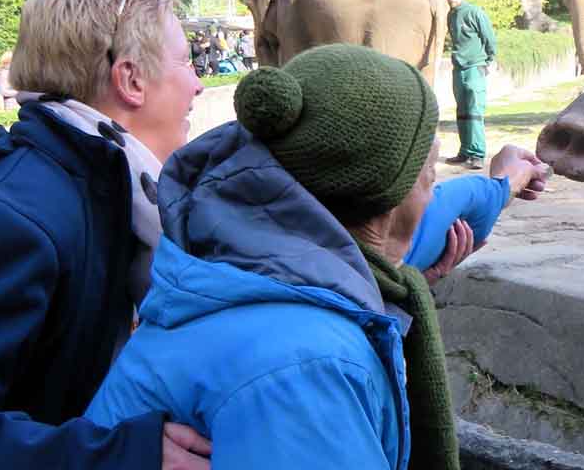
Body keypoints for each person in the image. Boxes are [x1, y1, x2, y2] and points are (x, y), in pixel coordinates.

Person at [87, 44, 550, 470]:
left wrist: (502, 185)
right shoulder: (307, 366)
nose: (433, 193)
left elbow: (444, 211)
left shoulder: (241, 246)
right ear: (385, 203)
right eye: (429, 174)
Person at [0, 0, 211, 468]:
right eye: (184, 61)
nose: (198, 83)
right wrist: (122, 454)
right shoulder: (21, 219)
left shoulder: (103, 191)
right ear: (131, 80)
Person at [443, 0, 497, 170]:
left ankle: (478, 154)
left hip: (475, 66)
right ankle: (465, 151)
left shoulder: (474, 12)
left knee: (475, 111)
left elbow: (488, 36)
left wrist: (491, 60)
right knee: (462, 111)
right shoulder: (451, 15)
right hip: (458, 68)